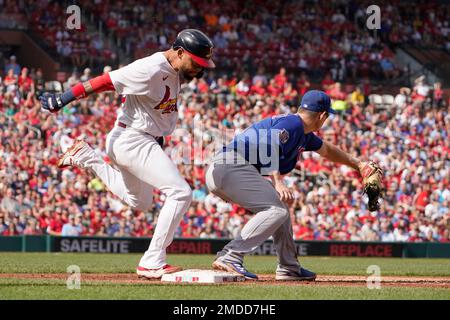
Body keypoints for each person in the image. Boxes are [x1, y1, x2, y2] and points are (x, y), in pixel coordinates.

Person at [40, 29, 216, 279]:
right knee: (180, 193)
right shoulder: (150, 68)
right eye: (196, 63)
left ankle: (85, 156)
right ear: (178, 52)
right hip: (133, 139)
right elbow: (104, 81)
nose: (200, 69)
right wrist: (63, 98)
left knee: (140, 203)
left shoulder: (174, 68)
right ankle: (152, 261)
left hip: (138, 140)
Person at [205, 90, 381, 280]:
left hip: (230, 169)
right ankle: (230, 256)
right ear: (323, 116)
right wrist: (278, 181)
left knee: (281, 210)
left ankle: (289, 267)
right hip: (231, 166)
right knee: (275, 210)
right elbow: (267, 144)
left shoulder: (303, 132)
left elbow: (327, 150)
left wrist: (358, 164)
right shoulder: (293, 124)